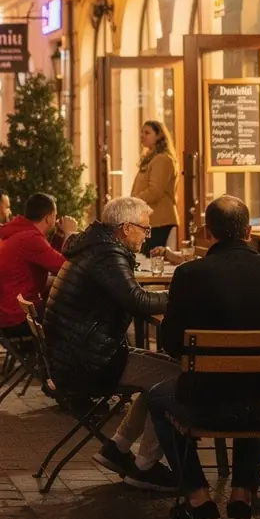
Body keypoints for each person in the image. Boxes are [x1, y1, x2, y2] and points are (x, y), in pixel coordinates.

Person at [148, 196, 260, 519]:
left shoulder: (189, 274)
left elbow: (171, 343)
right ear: (248, 231)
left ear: (208, 232)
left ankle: (198, 500)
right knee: (256, 379)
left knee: (157, 397)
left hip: (204, 405)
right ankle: (242, 500)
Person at [44, 196, 175, 490]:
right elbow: (138, 300)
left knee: (163, 369)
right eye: (145, 229)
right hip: (87, 363)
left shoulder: (96, 247)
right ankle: (146, 466)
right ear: (126, 228)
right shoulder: (107, 254)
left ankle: (118, 447)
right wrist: (180, 294)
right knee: (174, 378)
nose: (147, 235)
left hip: (76, 354)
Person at [0, 193, 74, 335]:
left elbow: (49, 259)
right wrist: (70, 233)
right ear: (48, 217)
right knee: (75, 311)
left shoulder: (19, 232)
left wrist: (59, 237)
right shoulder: (30, 238)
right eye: (55, 215)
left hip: (3, 314)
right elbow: (66, 269)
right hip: (17, 317)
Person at [130, 120, 178, 253]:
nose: (142, 135)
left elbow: (155, 191)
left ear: (159, 136)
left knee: (154, 257)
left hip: (159, 220)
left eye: (147, 133)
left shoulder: (162, 159)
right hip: (151, 219)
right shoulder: (151, 158)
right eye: (142, 132)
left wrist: (133, 201)